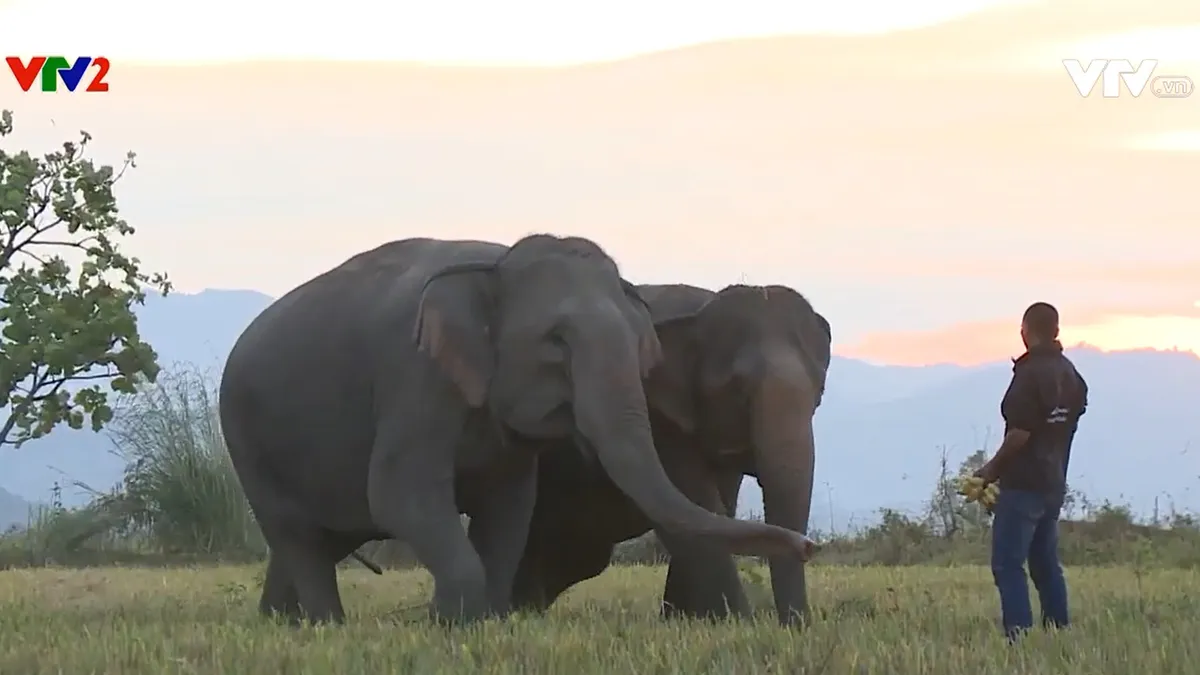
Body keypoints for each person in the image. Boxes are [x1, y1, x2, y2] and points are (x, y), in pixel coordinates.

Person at [975, 302, 1088, 641]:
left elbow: (1020, 434)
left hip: (1023, 485)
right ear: (1055, 330)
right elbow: (1070, 419)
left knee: (1008, 565)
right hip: (1053, 483)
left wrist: (989, 472)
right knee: (1045, 564)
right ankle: (1057, 631)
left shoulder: (1028, 375)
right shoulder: (1070, 373)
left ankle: (1019, 638)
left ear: (1027, 330)